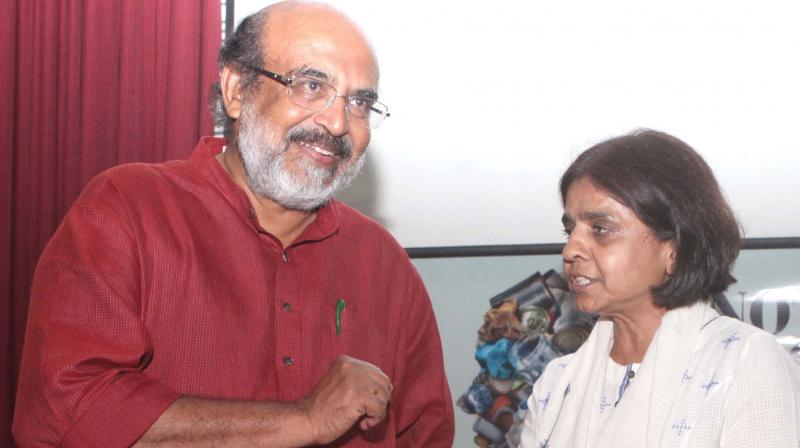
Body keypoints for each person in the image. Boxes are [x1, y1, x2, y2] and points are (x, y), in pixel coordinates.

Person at [12, 2, 454, 447]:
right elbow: (66, 410)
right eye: (310, 84)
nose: (337, 123)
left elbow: (428, 434)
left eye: (360, 103)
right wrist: (303, 420)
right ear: (236, 90)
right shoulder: (128, 211)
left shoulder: (383, 263)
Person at [520, 130, 800, 447]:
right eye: (570, 230)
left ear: (674, 247)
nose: (571, 250)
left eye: (600, 229)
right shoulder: (556, 384)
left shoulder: (744, 363)